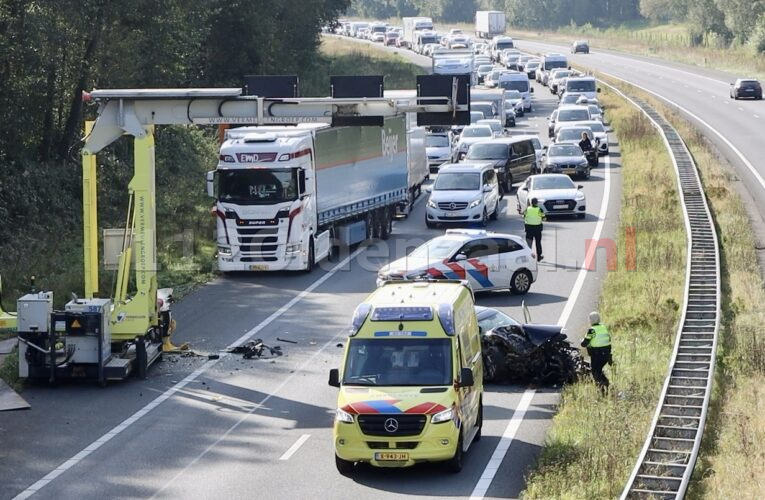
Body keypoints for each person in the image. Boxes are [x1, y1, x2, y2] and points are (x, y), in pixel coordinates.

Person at [581, 311, 612, 394]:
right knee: (599, 370)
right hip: (606, 355)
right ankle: (605, 385)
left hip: (597, 355)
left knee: (595, 372)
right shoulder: (603, 327)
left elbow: (584, 344)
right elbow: (608, 339)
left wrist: (583, 341)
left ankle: (602, 390)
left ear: (590, 320)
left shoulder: (592, 330)